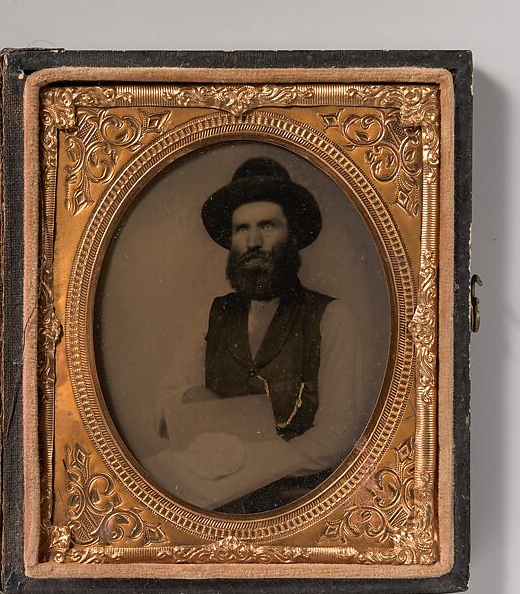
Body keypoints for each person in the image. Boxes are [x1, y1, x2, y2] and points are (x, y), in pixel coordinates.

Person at [149, 157, 364, 513]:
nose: (253, 241)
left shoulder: (332, 317)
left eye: (267, 226)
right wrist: (189, 399)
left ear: (292, 235)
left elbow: (335, 438)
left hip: (297, 506)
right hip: (214, 502)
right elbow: (163, 404)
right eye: (242, 229)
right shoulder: (211, 314)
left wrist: (250, 468)